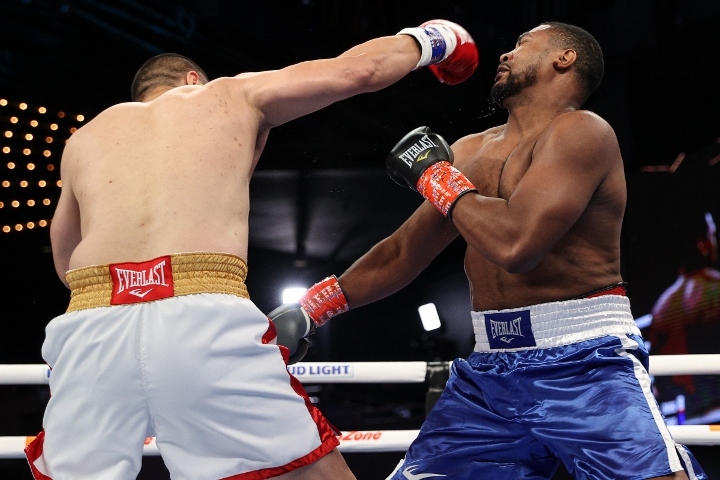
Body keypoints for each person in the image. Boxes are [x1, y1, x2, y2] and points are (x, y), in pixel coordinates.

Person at [26, 19, 479, 480]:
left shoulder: (84, 139)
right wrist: (436, 39)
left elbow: (66, 264)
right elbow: (358, 72)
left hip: (93, 325)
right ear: (192, 79)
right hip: (199, 319)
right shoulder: (226, 93)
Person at [268, 22, 708, 480]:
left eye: (523, 45)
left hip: (583, 361)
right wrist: (311, 308)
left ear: (564, 59)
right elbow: (402, 252)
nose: (505, 54)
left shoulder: (583, 132)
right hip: (490, 373)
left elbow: (517, 245)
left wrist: (437, 179)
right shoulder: (470, 151)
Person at [648, 211, 720, 423]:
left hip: (689, 419)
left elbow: (660, 382)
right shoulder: (714, 290)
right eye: (713, 235)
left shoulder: (662, 306)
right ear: (703, 244)